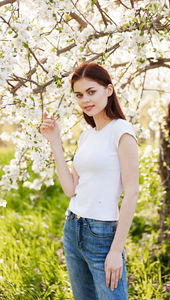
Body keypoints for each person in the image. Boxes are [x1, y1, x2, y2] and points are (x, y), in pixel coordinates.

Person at [40, 62, 139, 300]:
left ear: (109, 90)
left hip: (102, 233)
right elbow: (70, 188)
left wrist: (116, 250)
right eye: (79, 95)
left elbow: (132, 192)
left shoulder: (122, 132)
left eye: (91, 91)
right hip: (73, 227)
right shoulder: (87, 136)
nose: (85, 100)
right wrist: (55, 141)